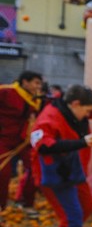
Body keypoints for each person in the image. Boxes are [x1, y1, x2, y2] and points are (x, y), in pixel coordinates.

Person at [31, 85, 92, 227]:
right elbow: (42, 145)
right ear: (76, 104)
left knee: (87, 206)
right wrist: (82, 142)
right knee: (72, 220)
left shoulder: (72, 108)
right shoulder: (49, 118)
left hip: (73, 171)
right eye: (86, 111)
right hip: (55, 175)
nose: (87, 115)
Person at [0, 71, 43, 219]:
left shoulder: (36, 99)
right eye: (36, 83)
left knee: (35, 168)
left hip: (24, 140)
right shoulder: (6, 91)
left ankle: (26, 202)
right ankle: (1, 209)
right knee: (3, 173)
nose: (38, 86)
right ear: (25, 82)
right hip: (3, 139)